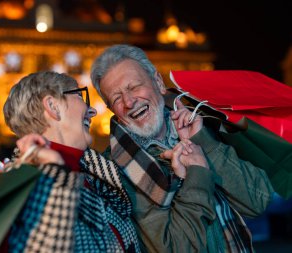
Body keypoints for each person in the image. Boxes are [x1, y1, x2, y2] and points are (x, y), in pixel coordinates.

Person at [90, 44, 274, 252]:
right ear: (111, 109)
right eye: (116, 98)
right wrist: (197, 173)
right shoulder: (116, 172)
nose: (129, 102)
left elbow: (258, 200)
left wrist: (205, 143)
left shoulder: (203, 126)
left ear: (158, 83)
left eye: (134, 87)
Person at [2, 71, 142, 252]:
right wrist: (55, 171)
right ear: (53, 106)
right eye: (79, 96)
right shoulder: (22, 184)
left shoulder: (95, 177)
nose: (92, 111)